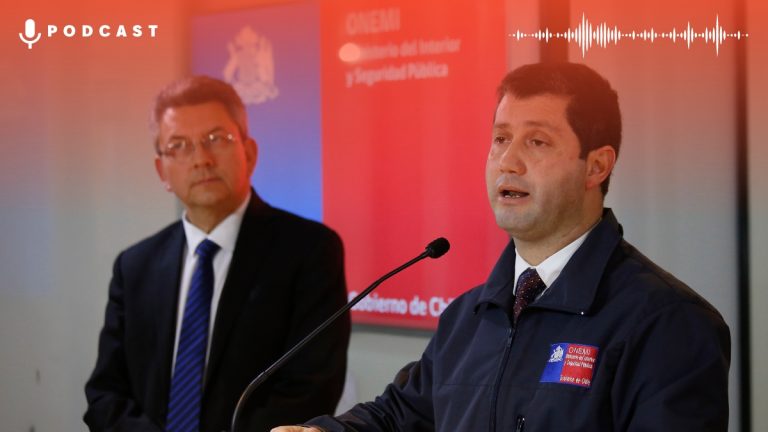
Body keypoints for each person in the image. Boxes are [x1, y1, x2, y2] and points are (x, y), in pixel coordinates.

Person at [273, 62, 731, 431]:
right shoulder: (468, 317)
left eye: (537, 141)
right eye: (500, 139)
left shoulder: (668, 324)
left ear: (596, 166)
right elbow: (399, 416)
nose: (508, 162)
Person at [84, 76, 350, 432]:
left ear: (249, 153)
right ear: (162, 171)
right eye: (179, 146)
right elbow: (105, 395)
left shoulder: (308, 251)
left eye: (216, 139)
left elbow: (311, 390)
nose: (201, 159)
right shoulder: (135, 266)